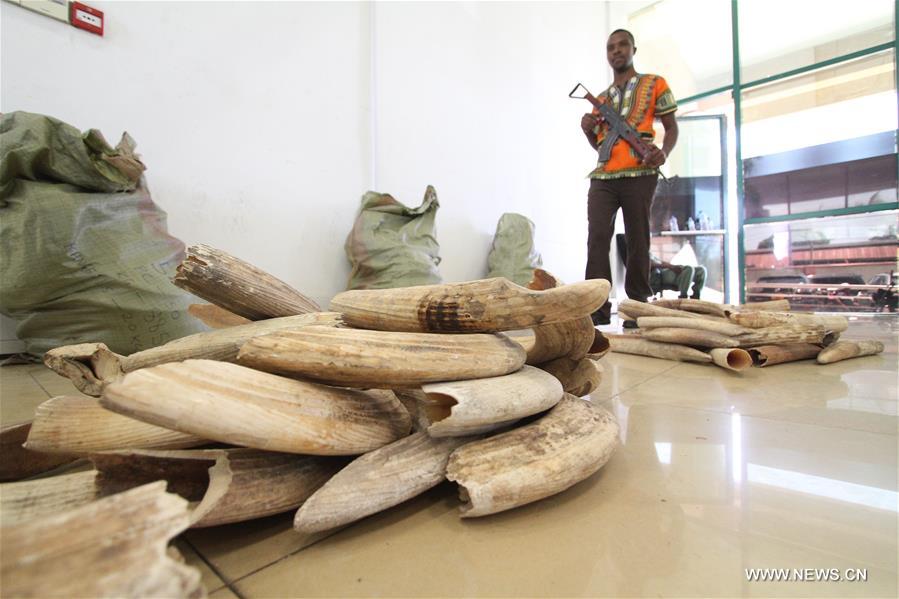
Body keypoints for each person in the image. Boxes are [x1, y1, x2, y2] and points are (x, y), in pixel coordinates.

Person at [581, 29, 679, 325]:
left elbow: (671, 126)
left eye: (622, 45)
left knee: (638, 237)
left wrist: (664, 151)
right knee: (597, 237)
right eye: (611, 47)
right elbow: (600, 144)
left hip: (640, 171)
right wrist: (587, 129)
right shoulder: (601, 99)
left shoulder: (655, 84)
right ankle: (596, 309)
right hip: (604, 176)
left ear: (633, 48)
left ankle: (636, 307)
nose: (616, 51)